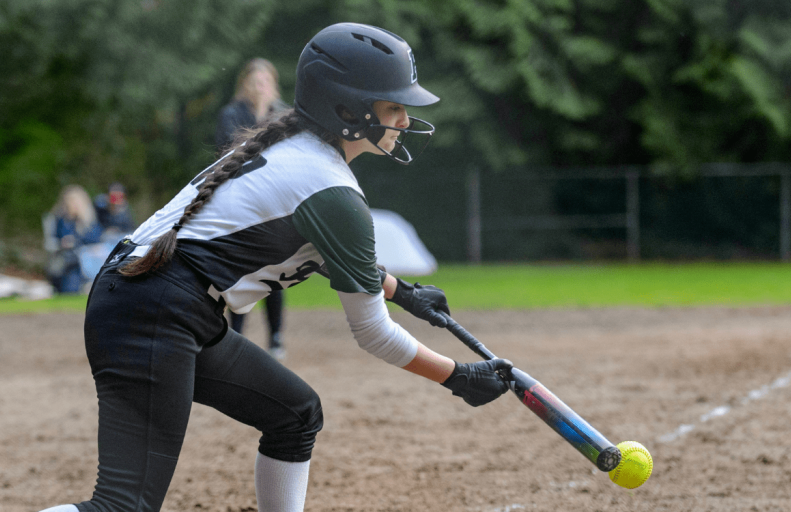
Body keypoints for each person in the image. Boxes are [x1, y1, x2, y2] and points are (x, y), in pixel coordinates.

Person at [37, 23, 512, 512]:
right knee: (121, 507)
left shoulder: (295, 150)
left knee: (295, 414)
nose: (406, 121)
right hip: (156, 311)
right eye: (394, 106)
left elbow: (324, 252)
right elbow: (373, 333)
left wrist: (403, 292)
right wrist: (456, 375)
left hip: (154, 302)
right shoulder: (332, 191)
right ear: (348, 109)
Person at [216, 57, 290, 358]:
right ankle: (236, 337)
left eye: (265, 82)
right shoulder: (231, 114)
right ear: (245, 84)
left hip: (275, 200)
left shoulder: (284, 113)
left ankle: (275, 337)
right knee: (242, 269)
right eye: (255, 82)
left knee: (276, 269)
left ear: (273, 85)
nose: (260, 87)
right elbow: (230, 151)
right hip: (242, 199)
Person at [46, 185, 103, 294]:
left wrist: (79, 227)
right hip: (68, 259)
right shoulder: (62, 220)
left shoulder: (89, 221)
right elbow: (57, 237)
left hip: (87, 259)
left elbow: (95, 239)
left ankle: (89, 284)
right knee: (70, 287)